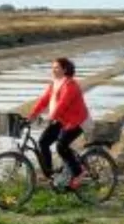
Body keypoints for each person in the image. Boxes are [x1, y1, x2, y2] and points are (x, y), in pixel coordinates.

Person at [26, 57, 90, 189]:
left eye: (56, 68)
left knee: (61, 146)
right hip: (62, 120)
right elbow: (44, 100)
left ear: (65, 70)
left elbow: (63, 104)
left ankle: (79, 172)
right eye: (52, 68)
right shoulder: (55, 83)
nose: (53, 70)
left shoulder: (70, 84)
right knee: (43, 142)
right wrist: (32, 115)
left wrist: (51, 117)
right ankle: (49, 174)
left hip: (77, 121)